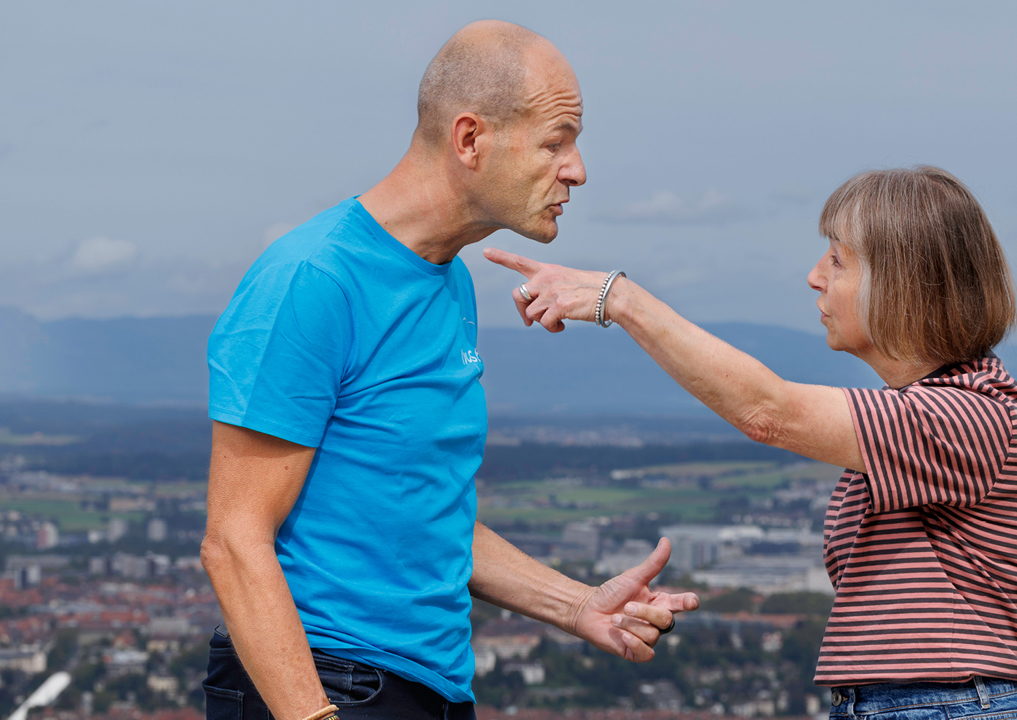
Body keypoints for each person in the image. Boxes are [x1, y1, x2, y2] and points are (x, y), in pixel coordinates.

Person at [201, 21, 697, 720]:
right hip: (323, 684)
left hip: (426, 689)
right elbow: (233, 540)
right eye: (556, 141)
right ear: (470, 140)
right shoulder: (312, 279)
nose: (578, 169)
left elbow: (419, 512)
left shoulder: (449, 282)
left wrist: (577, 604)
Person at [486, 166, 1017, 720]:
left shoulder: (975, 417)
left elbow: (768, 412)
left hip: (940, 706)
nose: (814, 276)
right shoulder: (936, 415)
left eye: (837, 258)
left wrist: (623, 300)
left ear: (904, 282)